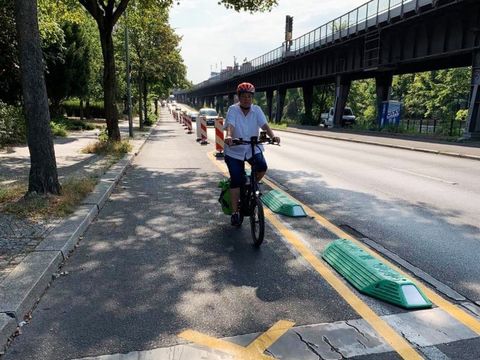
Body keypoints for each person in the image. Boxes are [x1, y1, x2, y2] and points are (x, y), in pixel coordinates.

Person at [224, 82, 280, 226]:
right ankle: (236, 212)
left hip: (251, 148)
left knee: (262, 166)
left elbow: (265, 125)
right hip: (234, 150)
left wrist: (273, 136)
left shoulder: (257, 110)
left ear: (252, 97)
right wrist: (229, 136)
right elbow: (230, 126)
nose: (247, 99)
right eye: (244, 96)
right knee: (236, 180)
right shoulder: (233, 110)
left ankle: (250, 183)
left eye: (249, 96)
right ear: (239, 97)